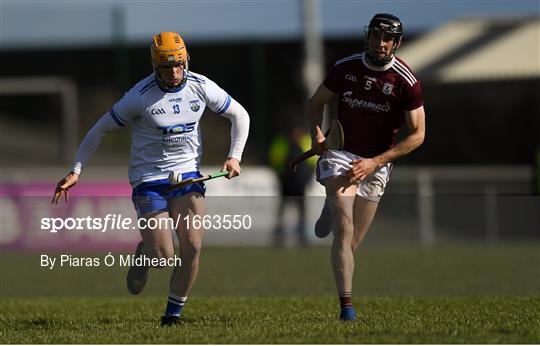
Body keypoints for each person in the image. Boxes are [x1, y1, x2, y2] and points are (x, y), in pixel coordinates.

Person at [51, 32, 250, 326]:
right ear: (155, 66)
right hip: (149, 179)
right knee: (163, 256)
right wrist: (76, 170)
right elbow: (99, 130)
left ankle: (172, 316)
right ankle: (146, 252)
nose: (173, 72)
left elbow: (240, 115)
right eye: (166, 67)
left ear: (186, 61)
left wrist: (235, 156)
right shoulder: (139, 96)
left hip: (188, 176)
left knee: (193, 247)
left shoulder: (201, 86)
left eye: (178, 65)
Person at [306, 14, 425, 320]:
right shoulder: (346, 67)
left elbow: (418, 134)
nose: (380, 43)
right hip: (341, 154)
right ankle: (346, 307)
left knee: (352, 243)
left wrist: (374, 162)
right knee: (343, 231)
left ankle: (332, 209)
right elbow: (316, 101)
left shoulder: (405, 80)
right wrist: (317, 133)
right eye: (376, 36)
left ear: (396, 43)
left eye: (387, 38)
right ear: (367, 36)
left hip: (377, 162)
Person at [268, 125, 315, 247]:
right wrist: (281, 177)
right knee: (282, 210)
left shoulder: (307, 141)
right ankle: (279, 235)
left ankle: (302, 235)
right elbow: (275, 160)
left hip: (300, 185)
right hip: (286, 184)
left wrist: (305, 179)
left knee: (302, 210)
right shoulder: (282, 142)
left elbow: (313, 162)